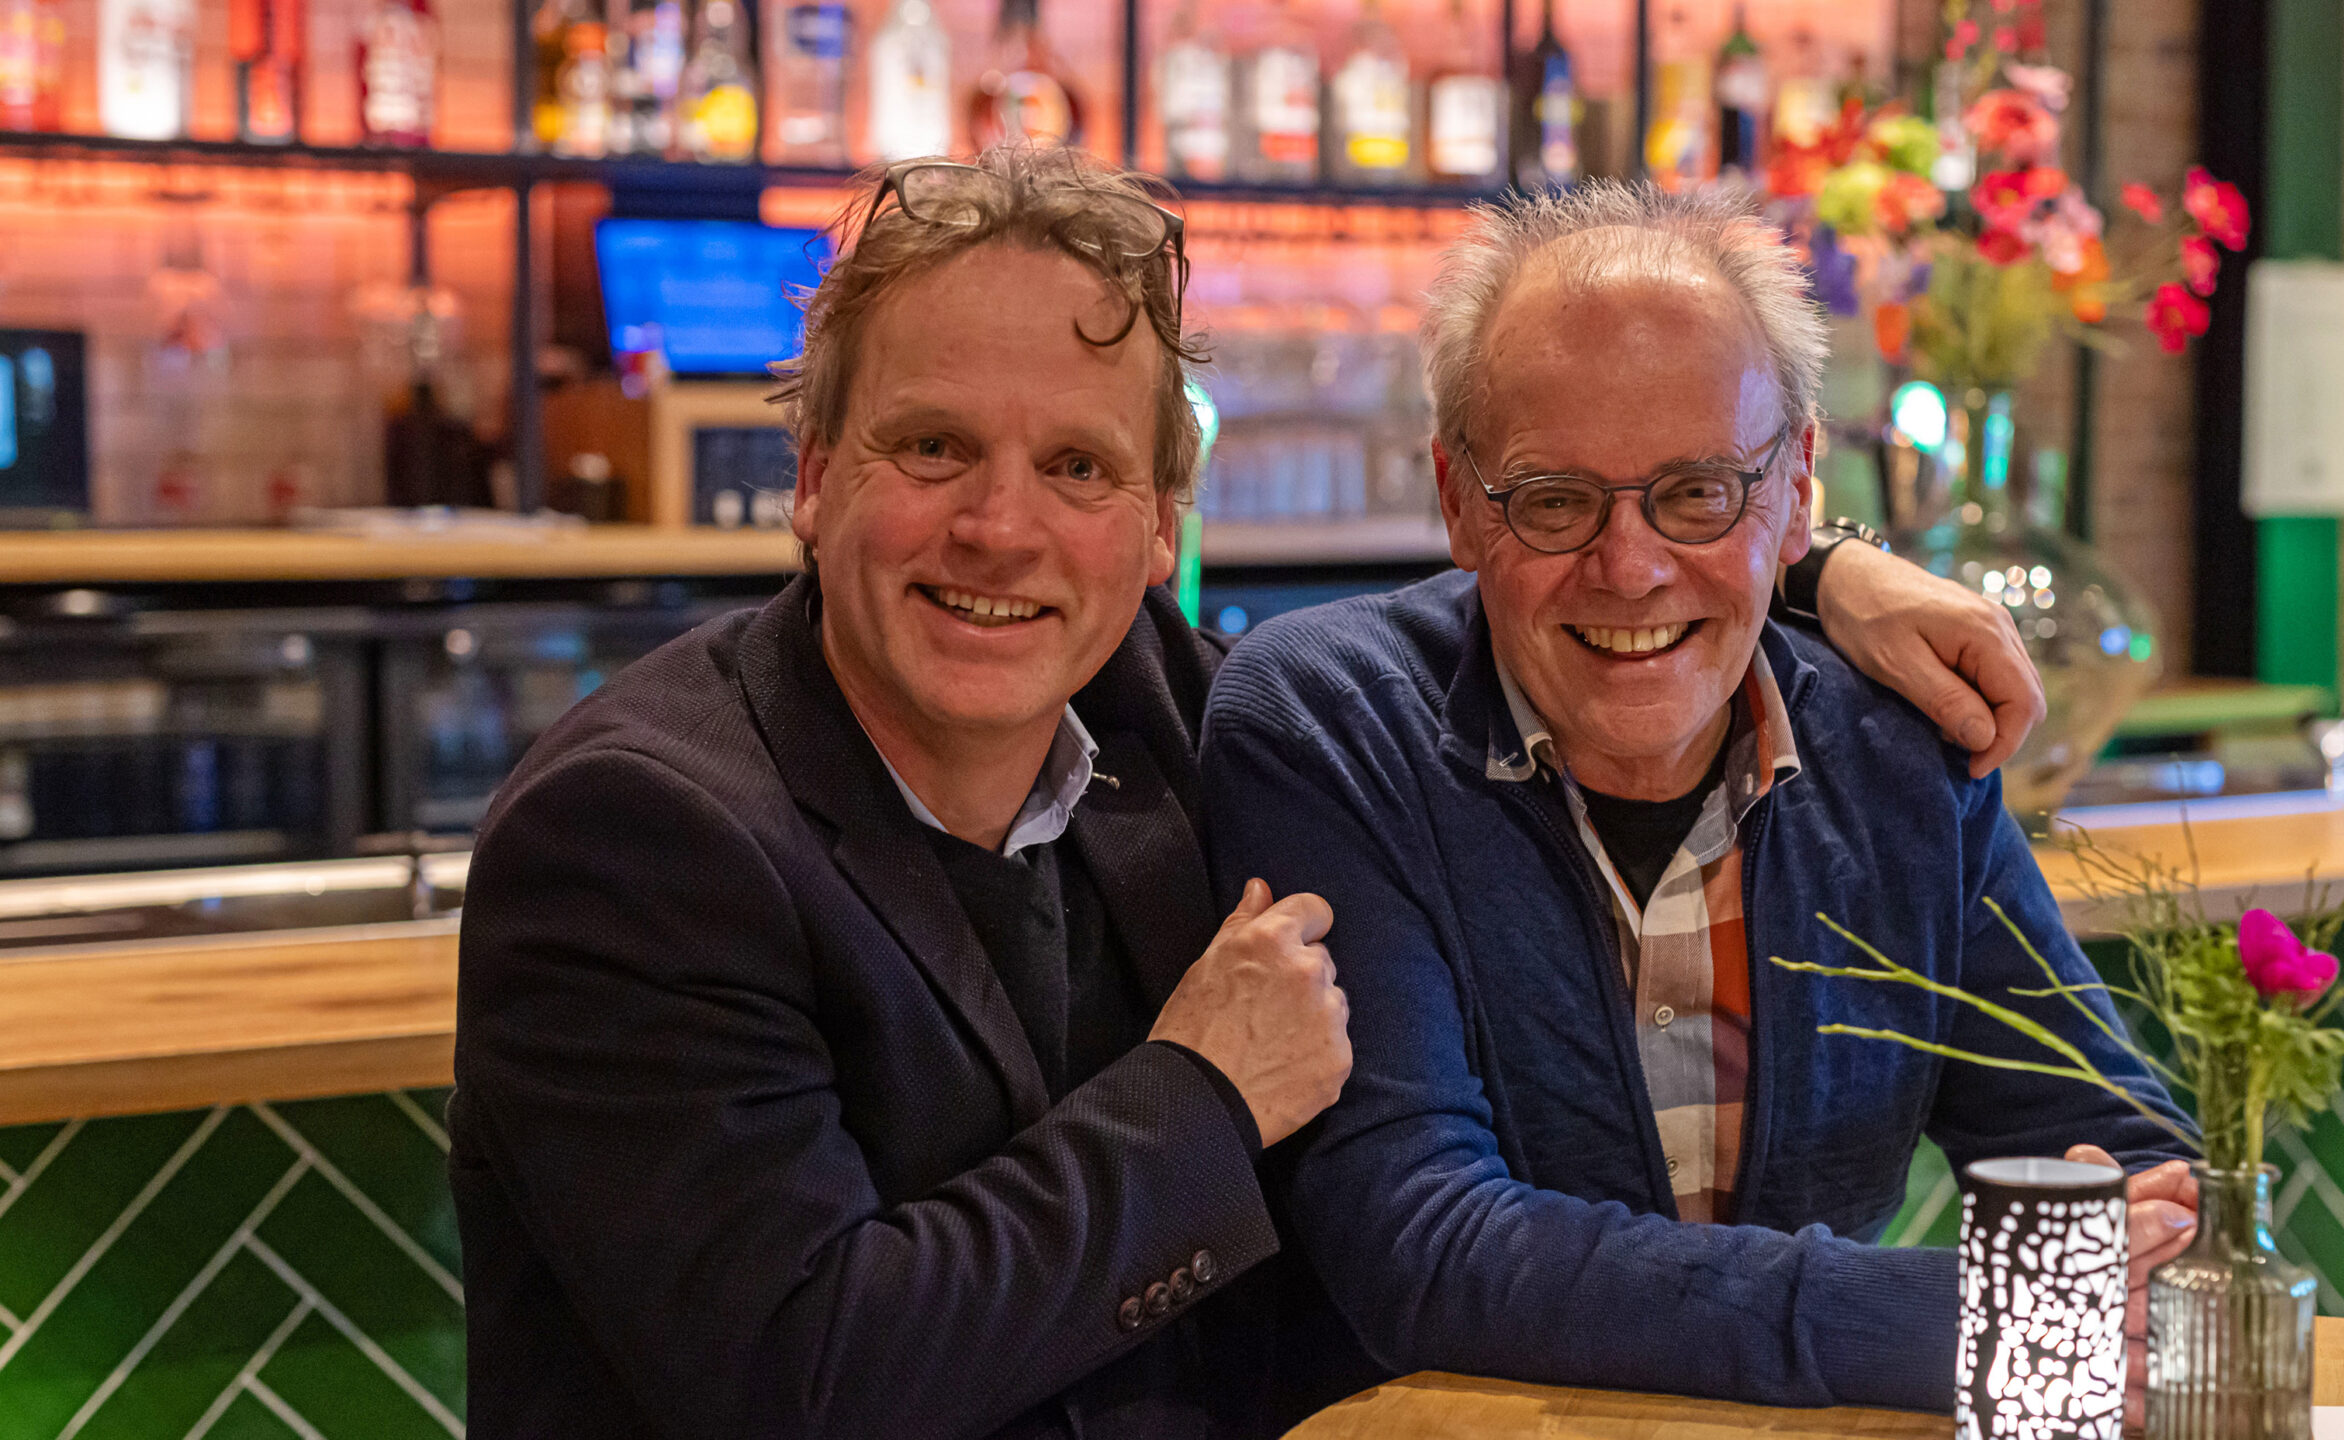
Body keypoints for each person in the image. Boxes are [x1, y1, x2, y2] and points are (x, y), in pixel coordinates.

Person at [449, 150, 2064, 1440]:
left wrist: (1807, 570)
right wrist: (1205, 1095)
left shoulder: (1171, 704)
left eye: (1079, 468)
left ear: (1159, 526)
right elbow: (801, 1378)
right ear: (814, 478)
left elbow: (1554, 585)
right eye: (931, 447)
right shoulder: (641, 835)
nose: (1003, 528)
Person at [1197, 182, 2199, 1418]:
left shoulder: (1895, 753)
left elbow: (2127, 1150)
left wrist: (2135, 1248)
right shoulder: (1331, 722)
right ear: (1457, 501)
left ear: (1796, 487)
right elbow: (1423, 1249)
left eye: (1697, 492)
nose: (1629, 569)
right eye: (1554, 501)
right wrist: (1950, 1315)